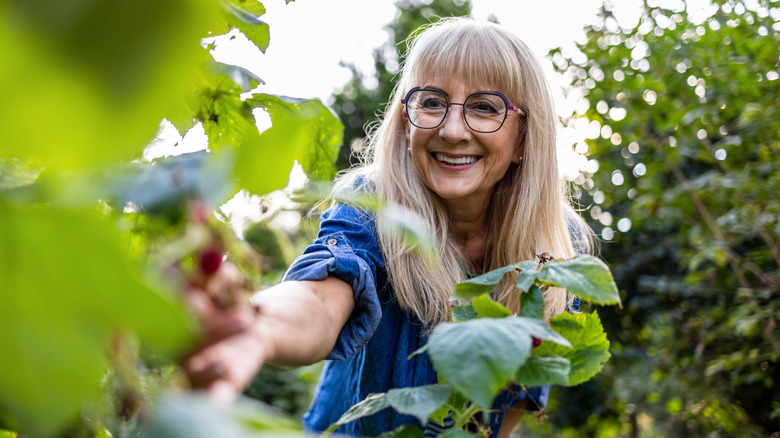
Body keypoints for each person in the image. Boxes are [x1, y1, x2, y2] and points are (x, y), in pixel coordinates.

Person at [184, 17, 591, 438]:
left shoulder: (558, 248)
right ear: (406, 121)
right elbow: (321, 299)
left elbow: (511, 402)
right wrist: (254, 324)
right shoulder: (375, 207)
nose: (451, 131)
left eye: (485, 107)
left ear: (524, 139)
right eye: (431, 102)